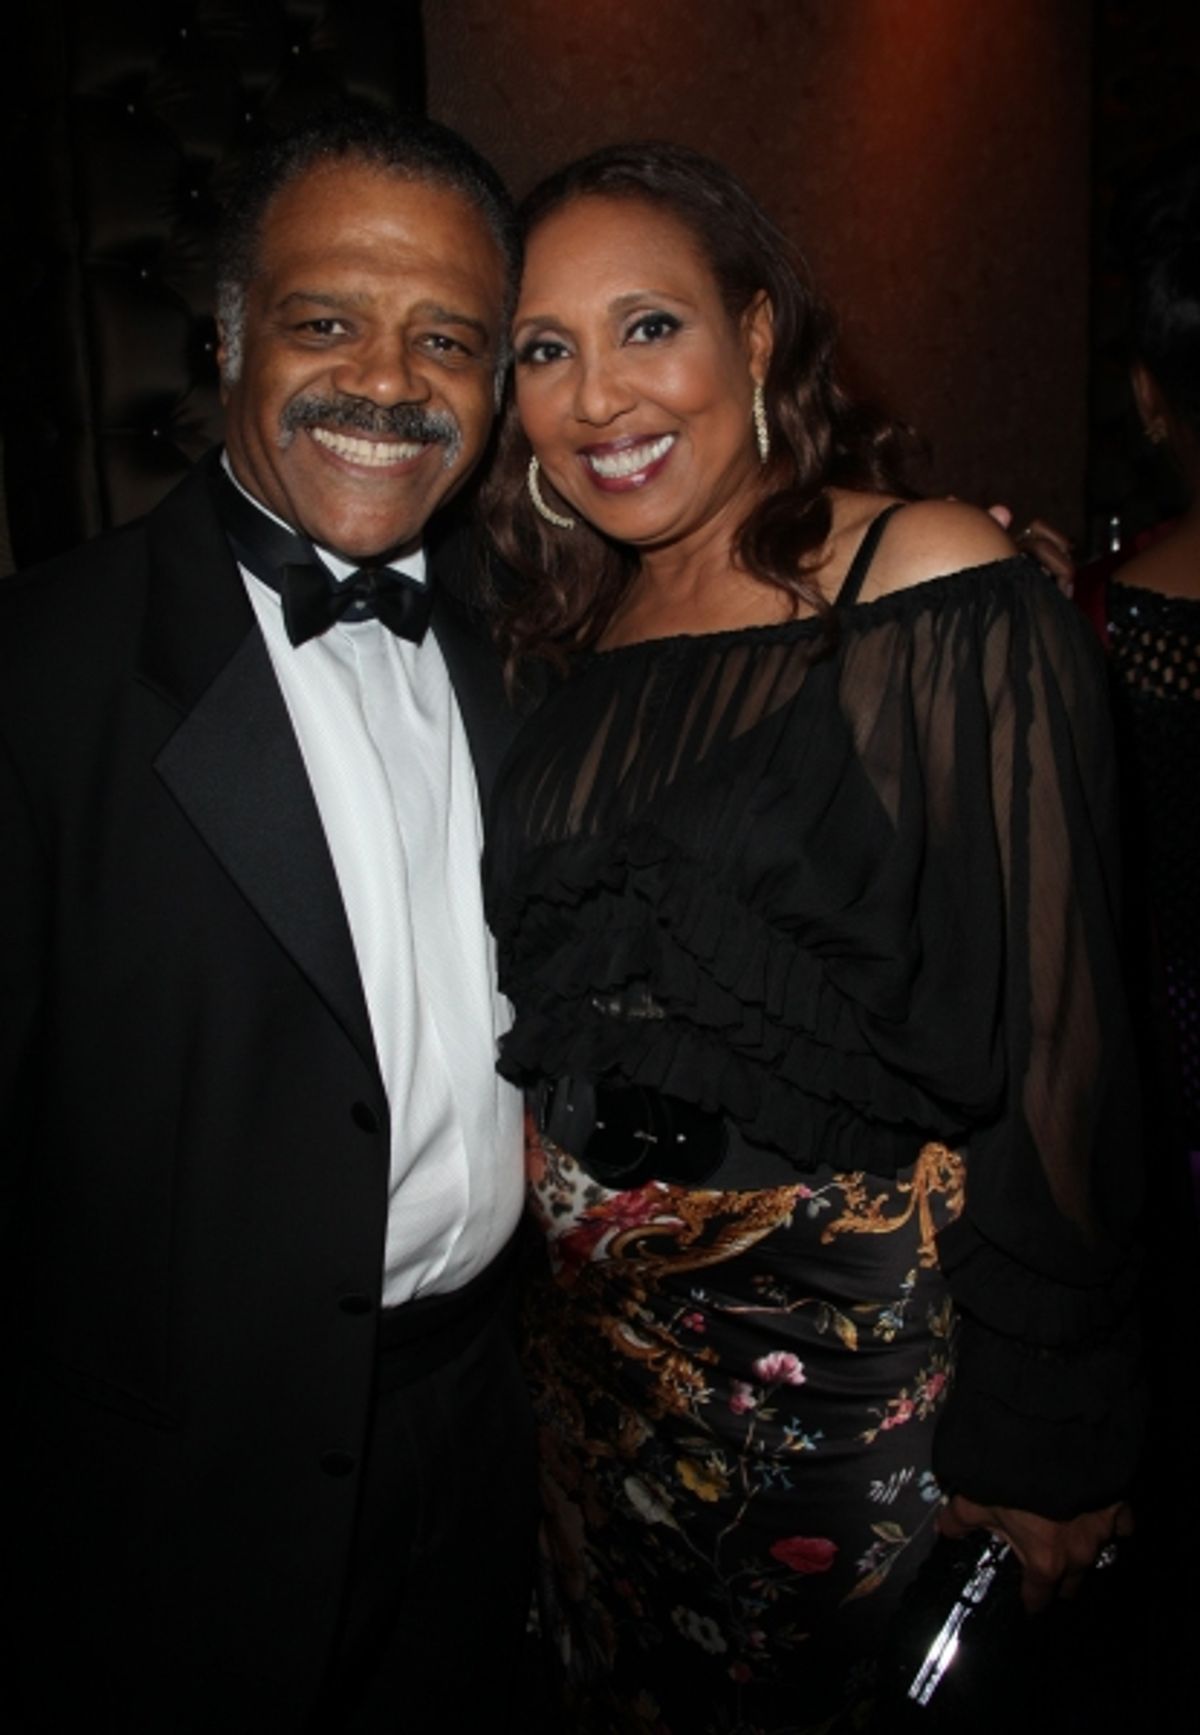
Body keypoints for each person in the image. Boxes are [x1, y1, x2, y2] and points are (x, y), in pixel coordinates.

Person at [480, 143, 1141, 1733]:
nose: (598, 398)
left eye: (649, 326)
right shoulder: (564, 636)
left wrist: (1049, 1438)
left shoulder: (925, 579)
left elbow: (1060, 1051)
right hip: (590, 1359)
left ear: (758, 334)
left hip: (842, 1353)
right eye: (543, 351)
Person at [0, 104, 535, 1733]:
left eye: (448, 339)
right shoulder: (39, 676)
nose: (388, 382)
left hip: (486, 1434)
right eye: (326, 322)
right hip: (171, 1498)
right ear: (230, 336)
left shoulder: (531, 652)